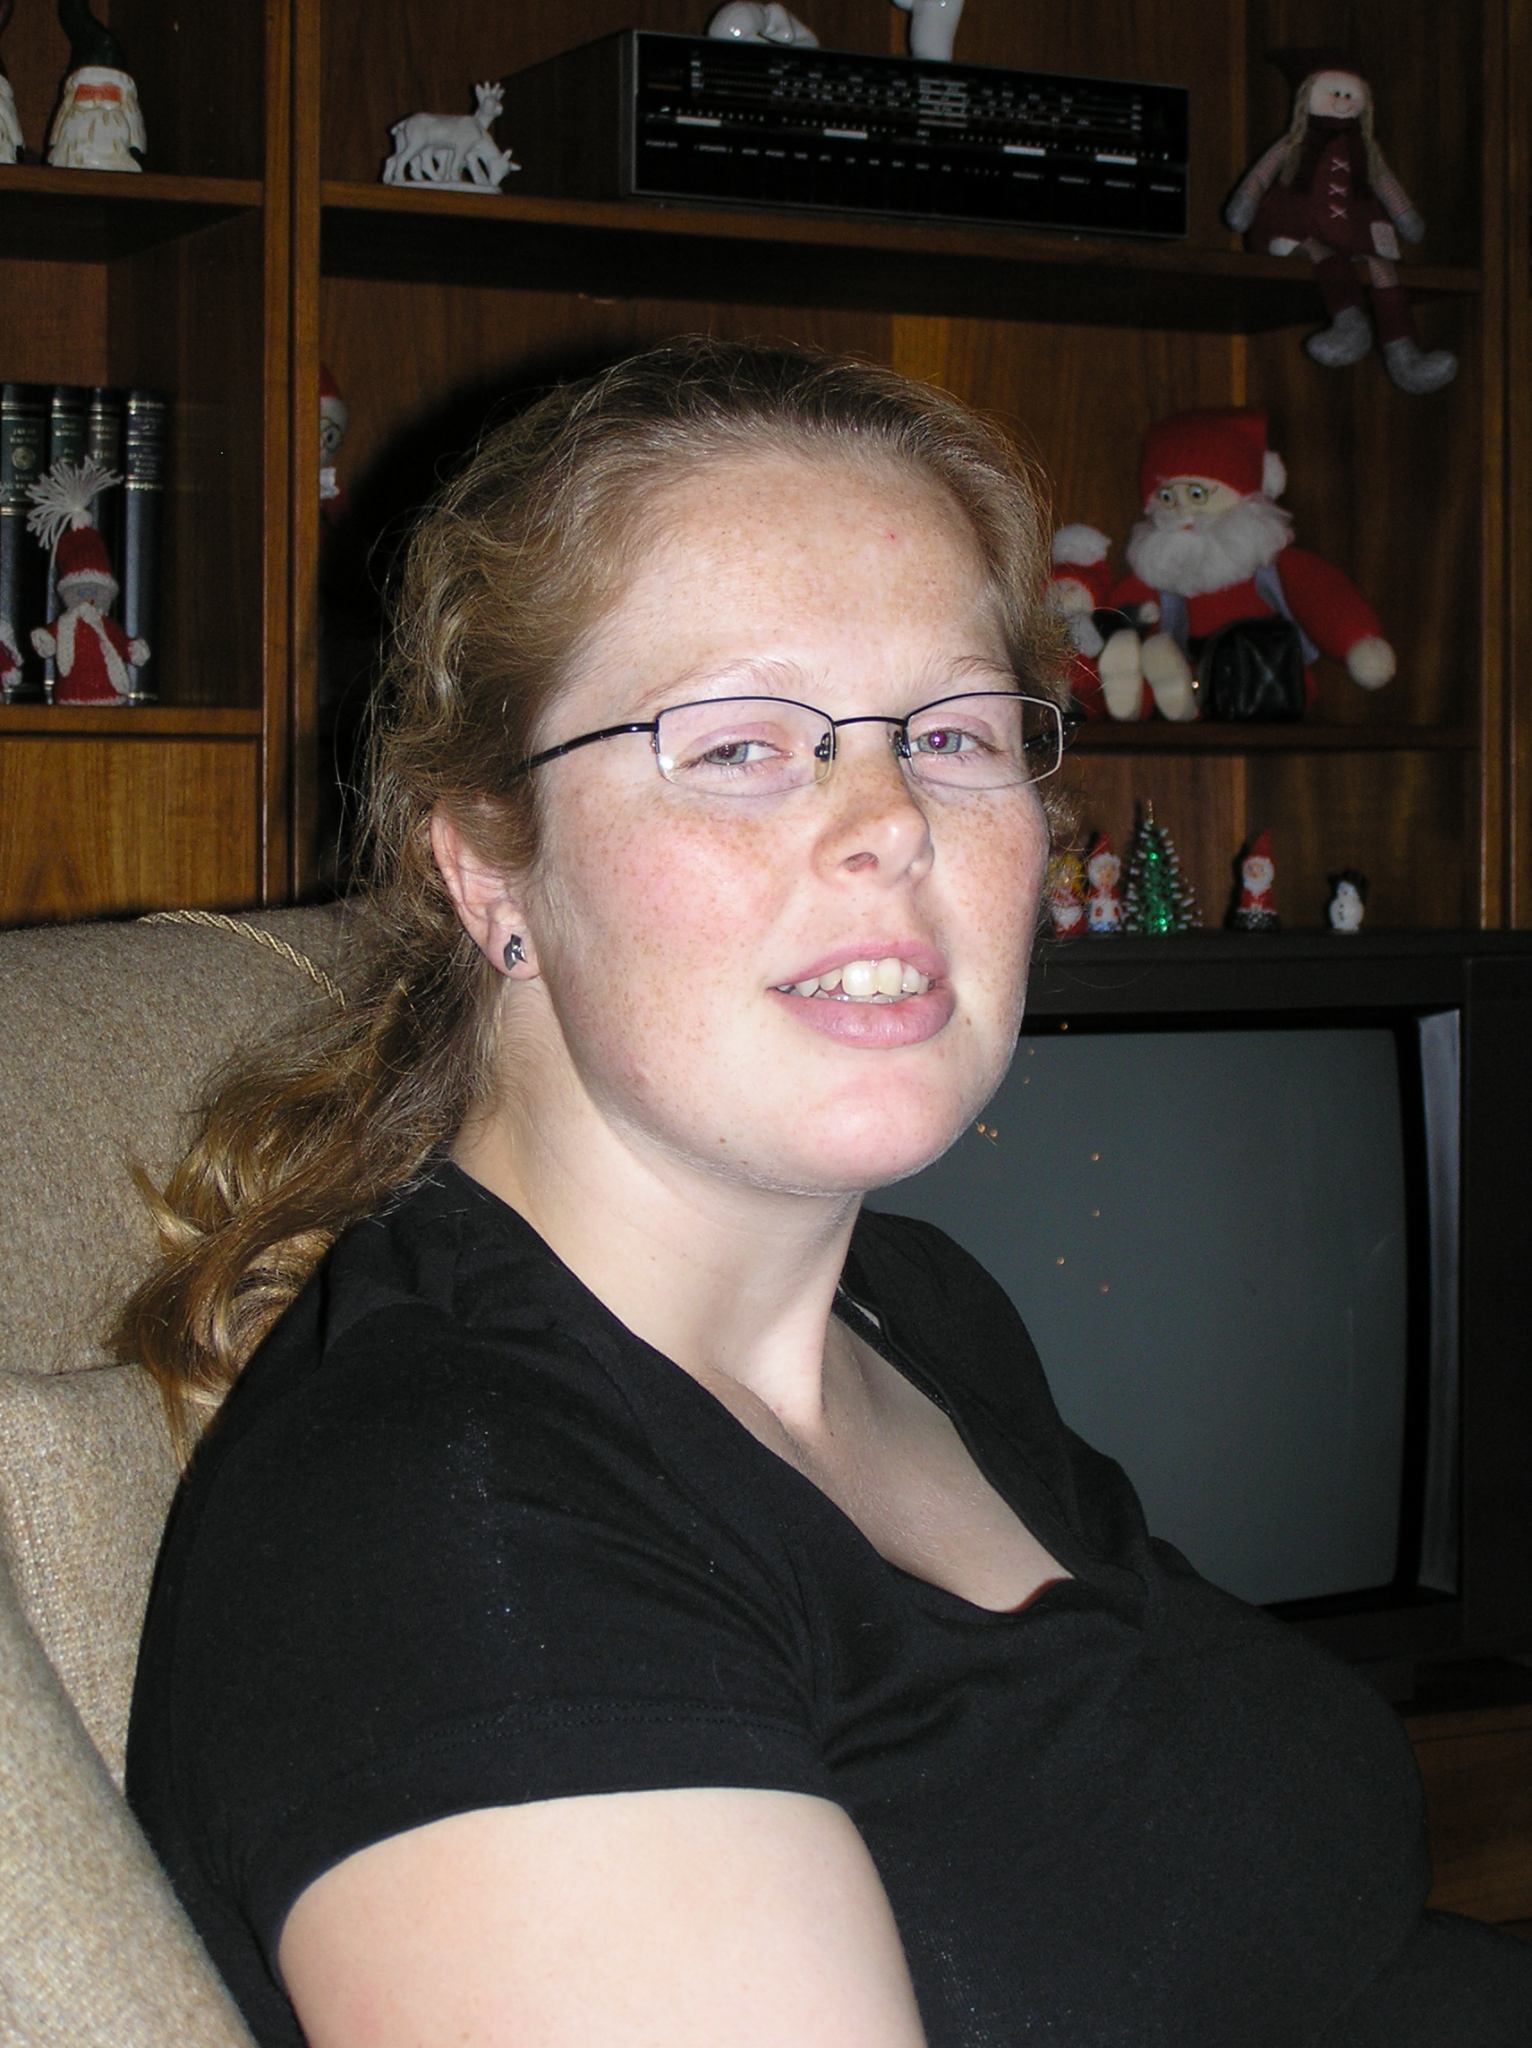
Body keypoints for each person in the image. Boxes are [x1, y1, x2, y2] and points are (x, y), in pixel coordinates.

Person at [122, 338, 1532, 2048]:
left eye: (951, 732)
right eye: (738, 744)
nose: (893, 820)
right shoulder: (445, 1534)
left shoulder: (915, 1311)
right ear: (486, 861)